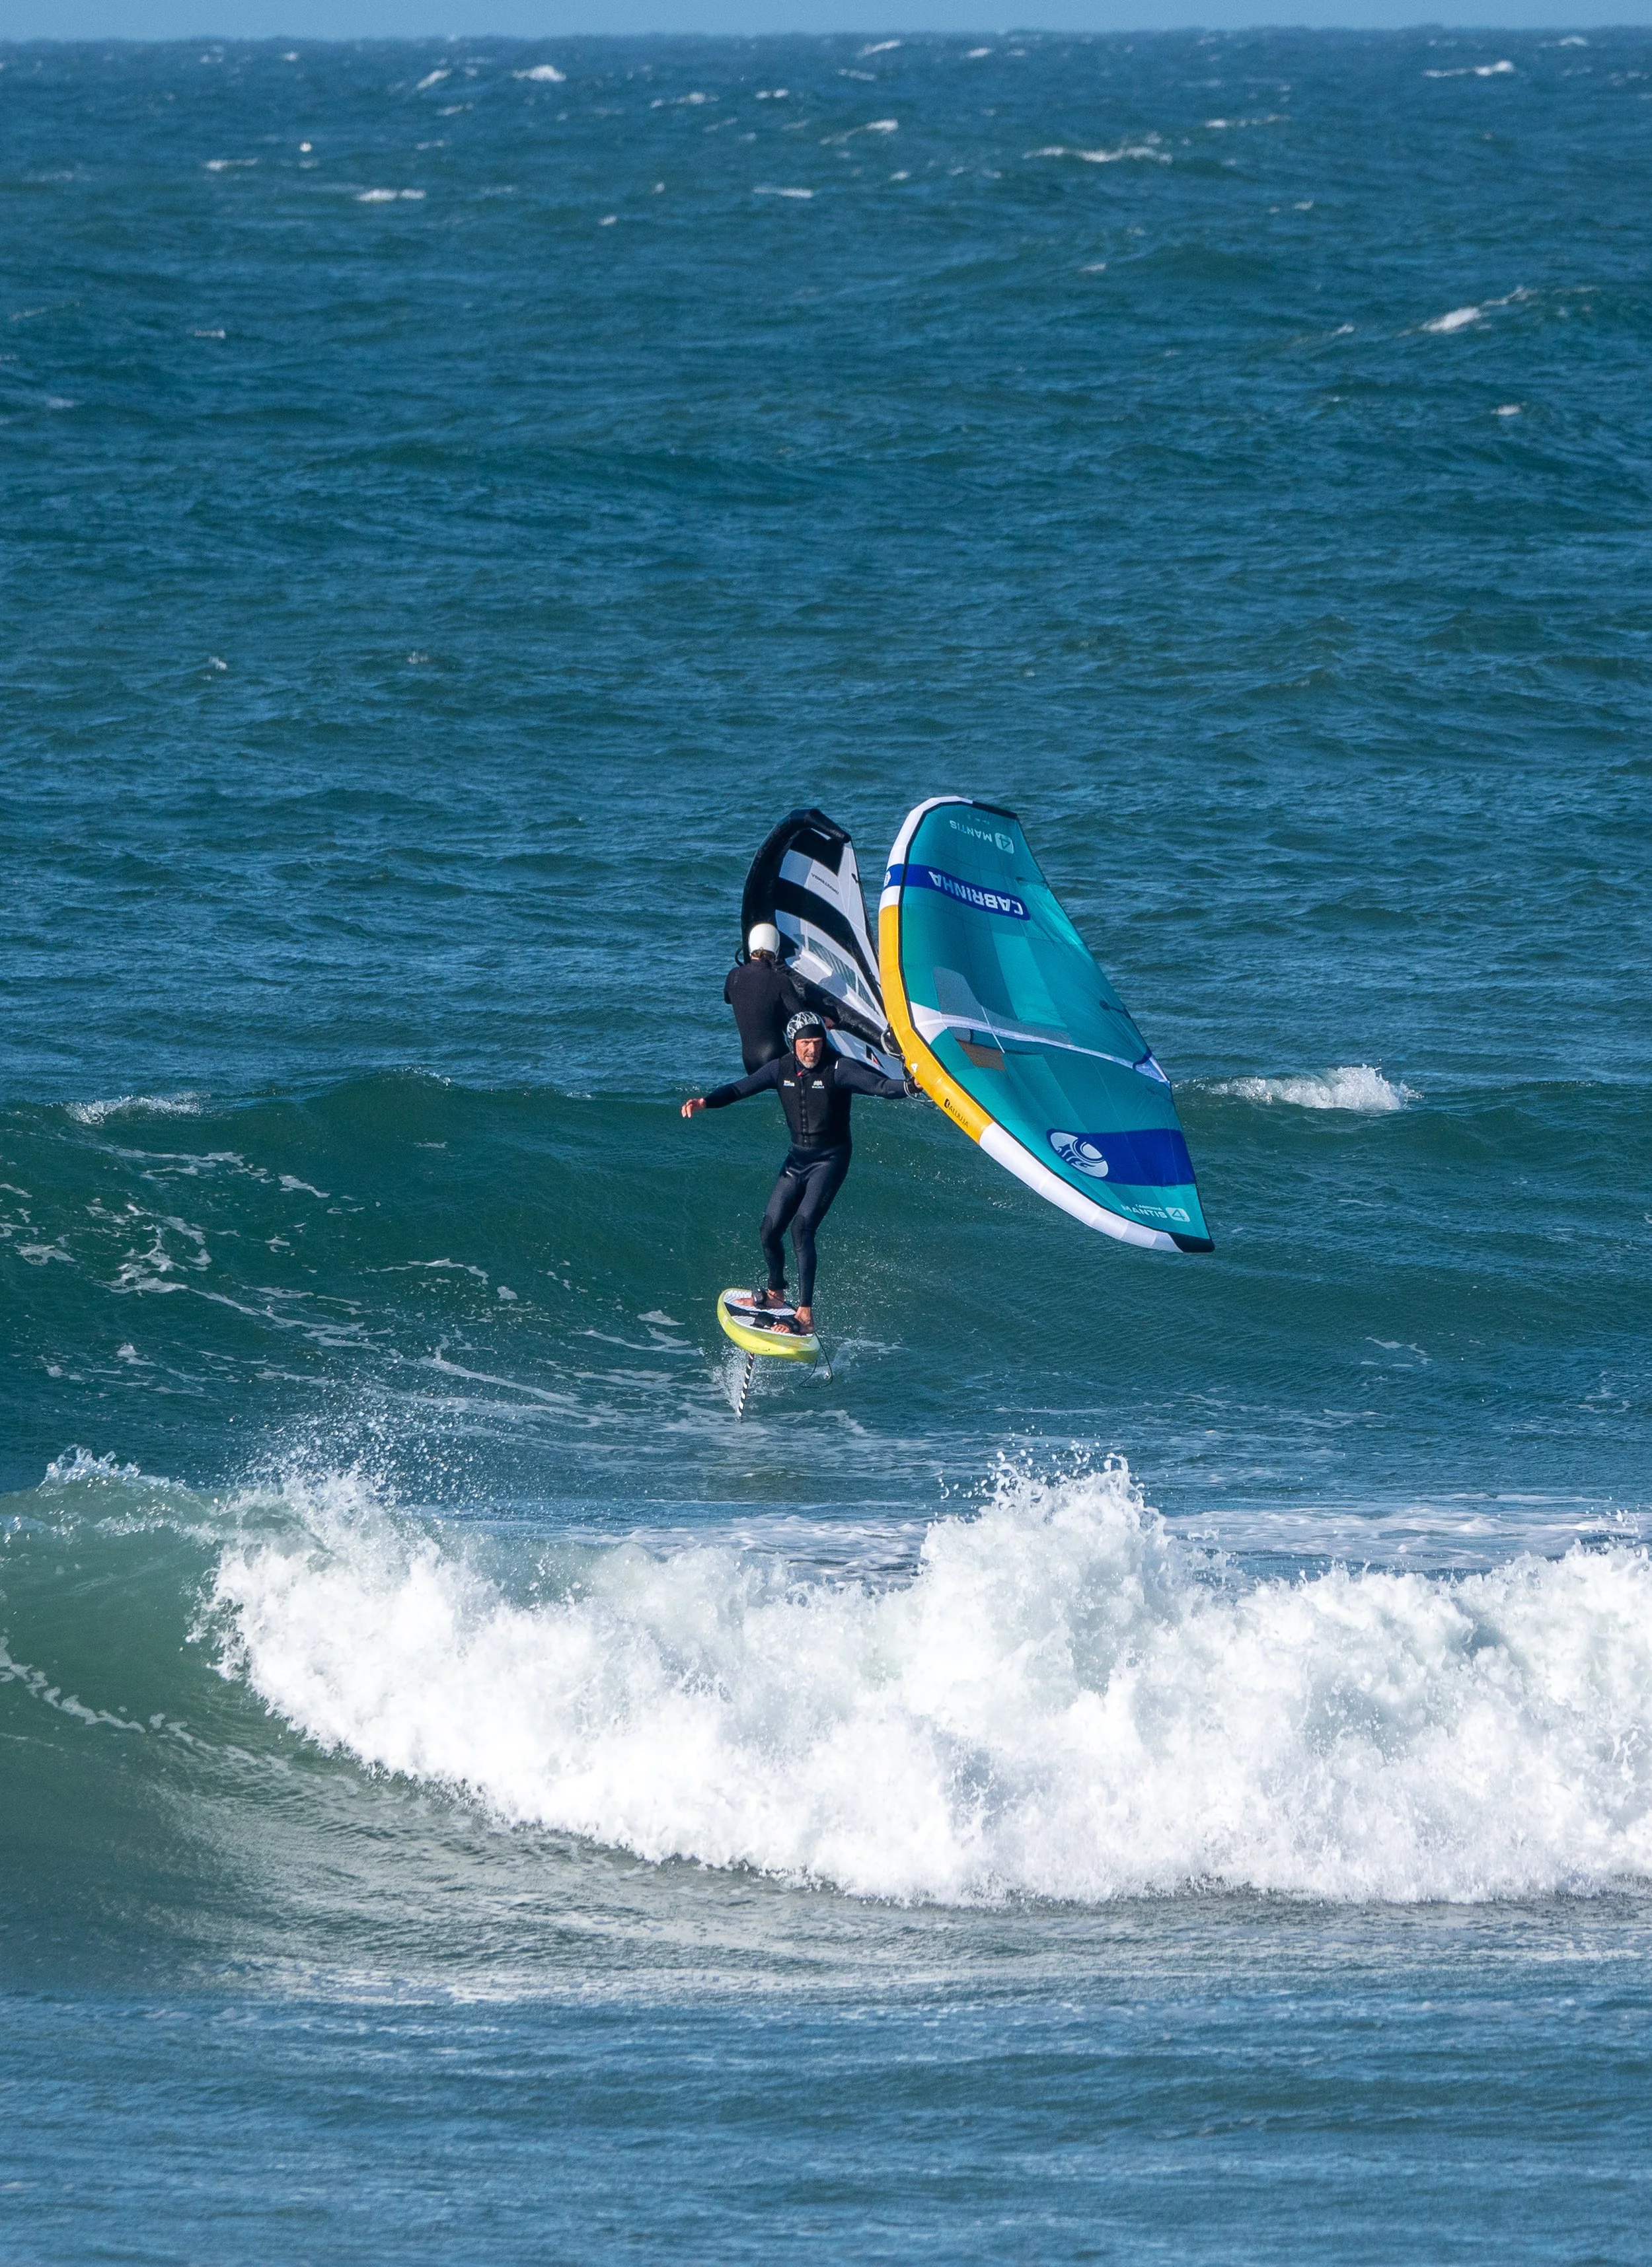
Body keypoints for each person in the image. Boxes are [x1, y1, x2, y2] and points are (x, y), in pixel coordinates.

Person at [682, 1012, 915, 1333]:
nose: (812, 1050)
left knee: (801, 1228)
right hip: (797, 1159)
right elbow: (740, 1089)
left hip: (830, 1159)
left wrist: (910, 1086)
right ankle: (776, 1292)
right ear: (793, 1043)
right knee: (769, 1229)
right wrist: (706, 1101)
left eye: (817, 1042)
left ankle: (805, 1315)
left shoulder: (839, 1068)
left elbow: (879, 1085)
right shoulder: (780, 1068)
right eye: (805, 1043)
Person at [724, 923, 831, 1074]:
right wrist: (824, 1019)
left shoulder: (733, 975)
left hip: (749, 1062)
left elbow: (729, 998)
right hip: (776, 1057)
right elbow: (801, 1017)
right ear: (776, 949)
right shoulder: (780, 980)